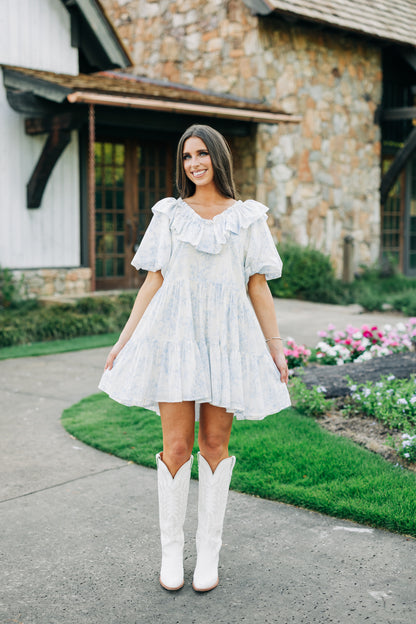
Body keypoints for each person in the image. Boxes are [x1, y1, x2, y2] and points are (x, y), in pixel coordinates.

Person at [99, 124, 291, 593]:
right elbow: (153, 280)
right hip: (174, 339)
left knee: (214, 445)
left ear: (218, 158)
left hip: (227, 341)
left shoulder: (247, 217)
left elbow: (257, 285)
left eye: (202, 154)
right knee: (177, 446)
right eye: (187, 157)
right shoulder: (169, 214)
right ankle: (171, 554)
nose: (194, 163)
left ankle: (208, 555)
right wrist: (124, 340)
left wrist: (276, 346)